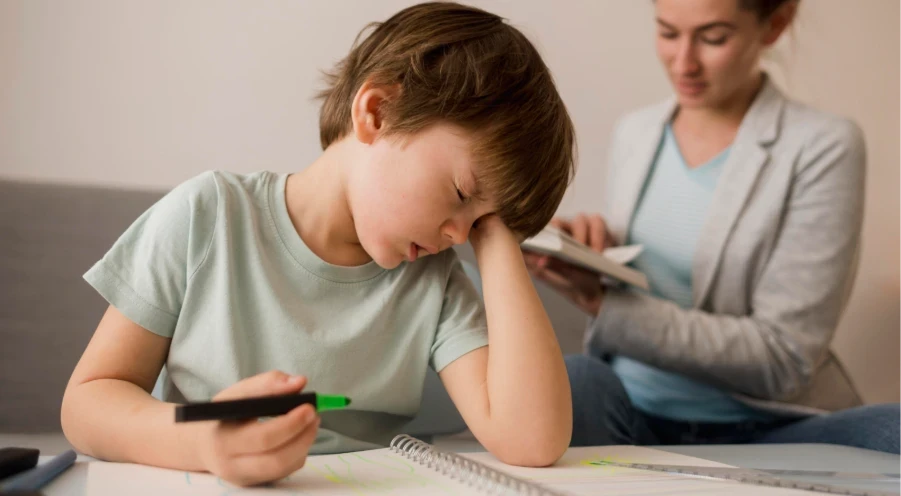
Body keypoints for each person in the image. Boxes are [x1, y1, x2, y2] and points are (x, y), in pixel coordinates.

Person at [61, 2, 576, 486]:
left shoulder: (433, 278)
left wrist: (497, 238)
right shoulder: (207, 216)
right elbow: (87, 404)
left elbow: (531, 440)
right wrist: (203, 444)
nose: (459, 235)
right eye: (461, 194)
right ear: (376, 113)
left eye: (480, 224)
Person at [526, 0, 901, 454]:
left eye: (713, 38)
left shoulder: (823, 147)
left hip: (765, 427)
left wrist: (603, 303)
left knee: (892, 430)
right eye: (667, 33)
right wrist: (592, 251)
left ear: (775, 24)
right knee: (578, 378)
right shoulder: (637, 133)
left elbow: (784, 355)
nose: (684, 63)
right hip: (633, 413)